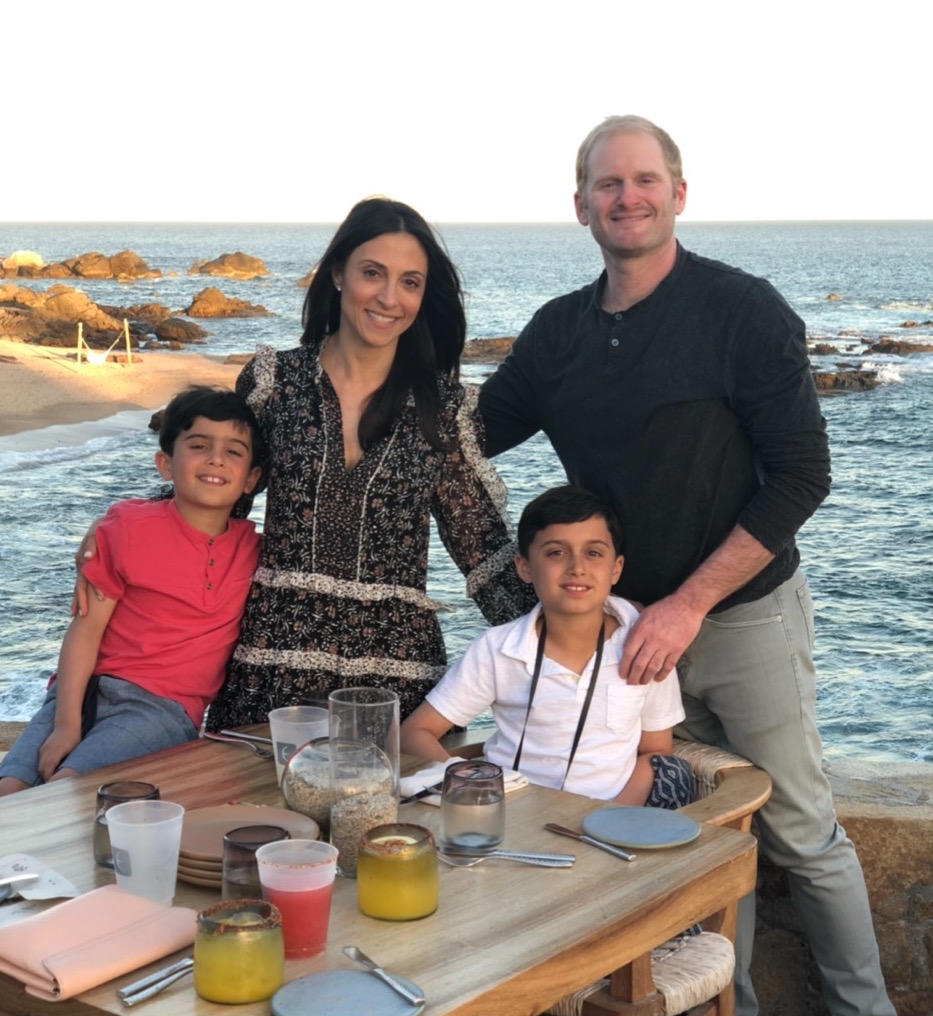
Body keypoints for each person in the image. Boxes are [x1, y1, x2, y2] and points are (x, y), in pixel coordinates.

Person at [479, 117, 894, 1016]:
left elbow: (800, 475)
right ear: (579, 205)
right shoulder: (556, 335)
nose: (625, 197)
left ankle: (866, 1009)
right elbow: (463, 439)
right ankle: (725, 1005)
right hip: (623, 636)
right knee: (682, 838)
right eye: (606, 184)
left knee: (797, 830)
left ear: (677, 193)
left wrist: (690, 602)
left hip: (741, 616)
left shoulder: (741, 310)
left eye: (642, 180)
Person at [203, 197, 532, 731]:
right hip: (271, 666)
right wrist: (121, 548)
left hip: (394, 678)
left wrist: (573, 636)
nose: (388, 298)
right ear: (338, 273)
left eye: (410, 282)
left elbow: (483, 552)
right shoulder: (274, 385)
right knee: (256, 814)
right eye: (372, 274)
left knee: (386, 818)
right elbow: (215, 511)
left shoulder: (444, 408)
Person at [0, 386, 264, 794]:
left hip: (160, 710)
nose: (215, 459)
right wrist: (67, 724)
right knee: (12, 787)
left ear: (251, 480)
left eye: (234, 451)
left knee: (71, 789)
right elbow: (85, 631)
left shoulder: (255, 549)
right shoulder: (127, 527)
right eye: (198, 445)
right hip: (84, 691)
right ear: (165, 463)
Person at [400, 486, 688, 805]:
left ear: (616, 568)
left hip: (610, 825)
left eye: (593, 553)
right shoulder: (497, 650)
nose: (577, 567)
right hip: (512, 818)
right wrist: (477, 789)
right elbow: (414, 732)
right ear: (524, 566)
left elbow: (655, 751)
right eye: (555, 552)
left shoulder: (646, 645)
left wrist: (611, 817)